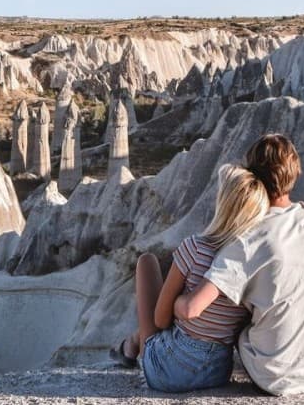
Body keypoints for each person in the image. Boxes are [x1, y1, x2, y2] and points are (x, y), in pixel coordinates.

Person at [181, 133, 304, 396]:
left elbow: (192, 308)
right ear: (297, 172)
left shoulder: (248, 238)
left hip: (274, 376)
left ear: (251, 178)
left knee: (238, 313)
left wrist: (177, 303)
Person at [112, 164, 269, 392]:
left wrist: (179, 308)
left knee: (146, 262)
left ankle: (132, 345)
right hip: (217, 370)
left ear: (222, 204)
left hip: (168, 371)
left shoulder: (195, 248)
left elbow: (160, 320)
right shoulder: (251, 262)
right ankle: (132, 341)